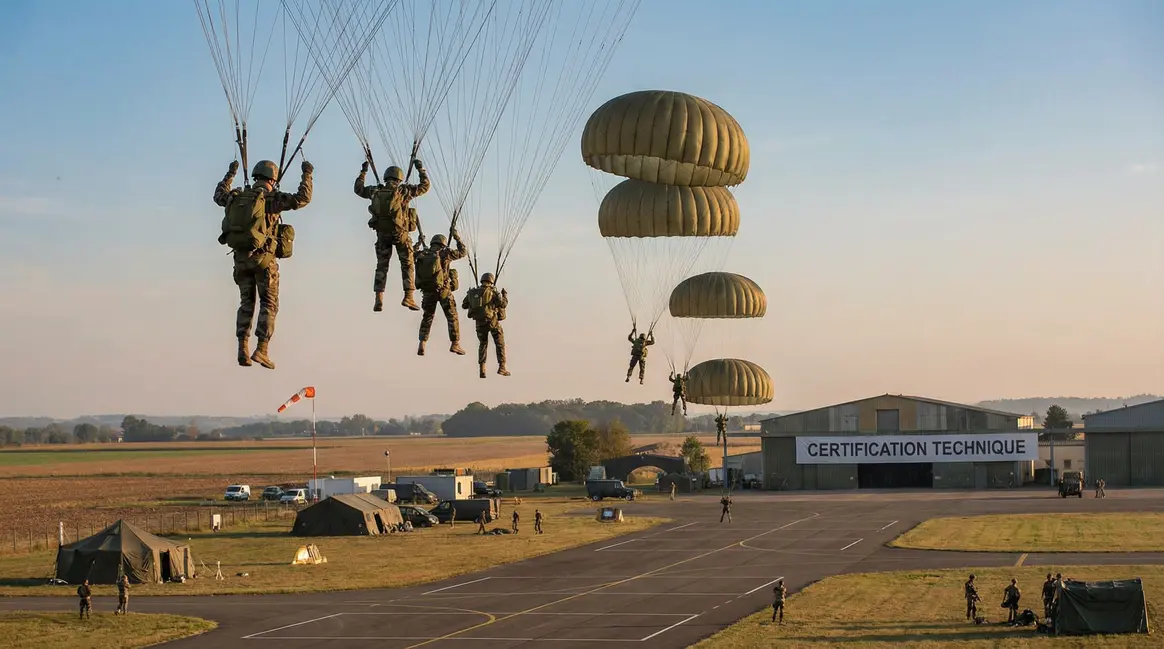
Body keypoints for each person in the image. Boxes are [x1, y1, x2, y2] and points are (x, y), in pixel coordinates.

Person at [214, 159, 313, 369]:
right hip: (264, 262)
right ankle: (262, 349)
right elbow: (303, 198)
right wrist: (307, 174)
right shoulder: (273, 199)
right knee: (269, 304)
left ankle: (242, 347)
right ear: (272, 179)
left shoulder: (236, 197)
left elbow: (218, 194)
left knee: (246, 303)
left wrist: (231, 173)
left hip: (240, 262)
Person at [354, 158, 430, 312]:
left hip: (382, 234)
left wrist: (363, 171)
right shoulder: (403, 191)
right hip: (399, 234)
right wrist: (420, 169)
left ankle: (379, 298)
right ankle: (408, 297)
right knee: (407, 263)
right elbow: (425, 186)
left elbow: (358, 189)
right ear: (399, 178)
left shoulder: (375, 190)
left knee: (382, 265)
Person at [415, 230, 467, 356]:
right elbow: (462, 252)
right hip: (443, 291)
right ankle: (455, 344)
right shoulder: (446, 253)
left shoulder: (422, 254)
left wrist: (418, 242)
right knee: (452, 316)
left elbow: (410, 254)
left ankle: (422, 343)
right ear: (443, 244)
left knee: (427, 317)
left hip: (428, 292)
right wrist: (457, 238)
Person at [462, 273, 510, 378]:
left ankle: (482, 369)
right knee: (499, 343)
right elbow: (503, 304)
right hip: (492, 322)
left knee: (483, 344)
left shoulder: (473, 292)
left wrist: (473, 297)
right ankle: (502, 367)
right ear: (491, 282)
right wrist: (504, 295)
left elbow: (464, 305)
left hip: (479, 324)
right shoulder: (493, 292)